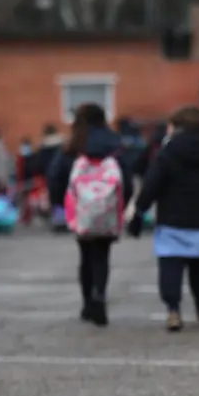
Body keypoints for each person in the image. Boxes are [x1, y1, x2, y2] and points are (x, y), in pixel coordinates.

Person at [127, 106, 199, 332]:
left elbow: (152, 183)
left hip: (170, 218)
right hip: (198, 218)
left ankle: (173, 309)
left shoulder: (168, 151)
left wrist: (139, 211)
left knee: (170, 265)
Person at [47, 103, 134, 326]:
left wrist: (63, 205)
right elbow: (127, 179)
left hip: (81, 210)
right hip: (108, 210)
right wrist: (119, 207)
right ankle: (100, 297)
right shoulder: (115, 143)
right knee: (102, 256)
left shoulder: (74, 144)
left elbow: (55, 178)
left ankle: (87, 303)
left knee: (85, 256)